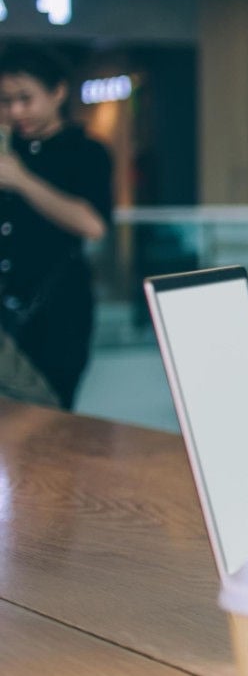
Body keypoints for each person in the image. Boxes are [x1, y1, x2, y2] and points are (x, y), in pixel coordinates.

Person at [0, 43, 115, 410]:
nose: (16, 111)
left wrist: (21, 180)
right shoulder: (7, 148)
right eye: (5, 100)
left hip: (55, 316)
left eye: (25, 98)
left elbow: (92, 224)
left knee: (45, 423)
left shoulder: (86, 153)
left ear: (57, 92)